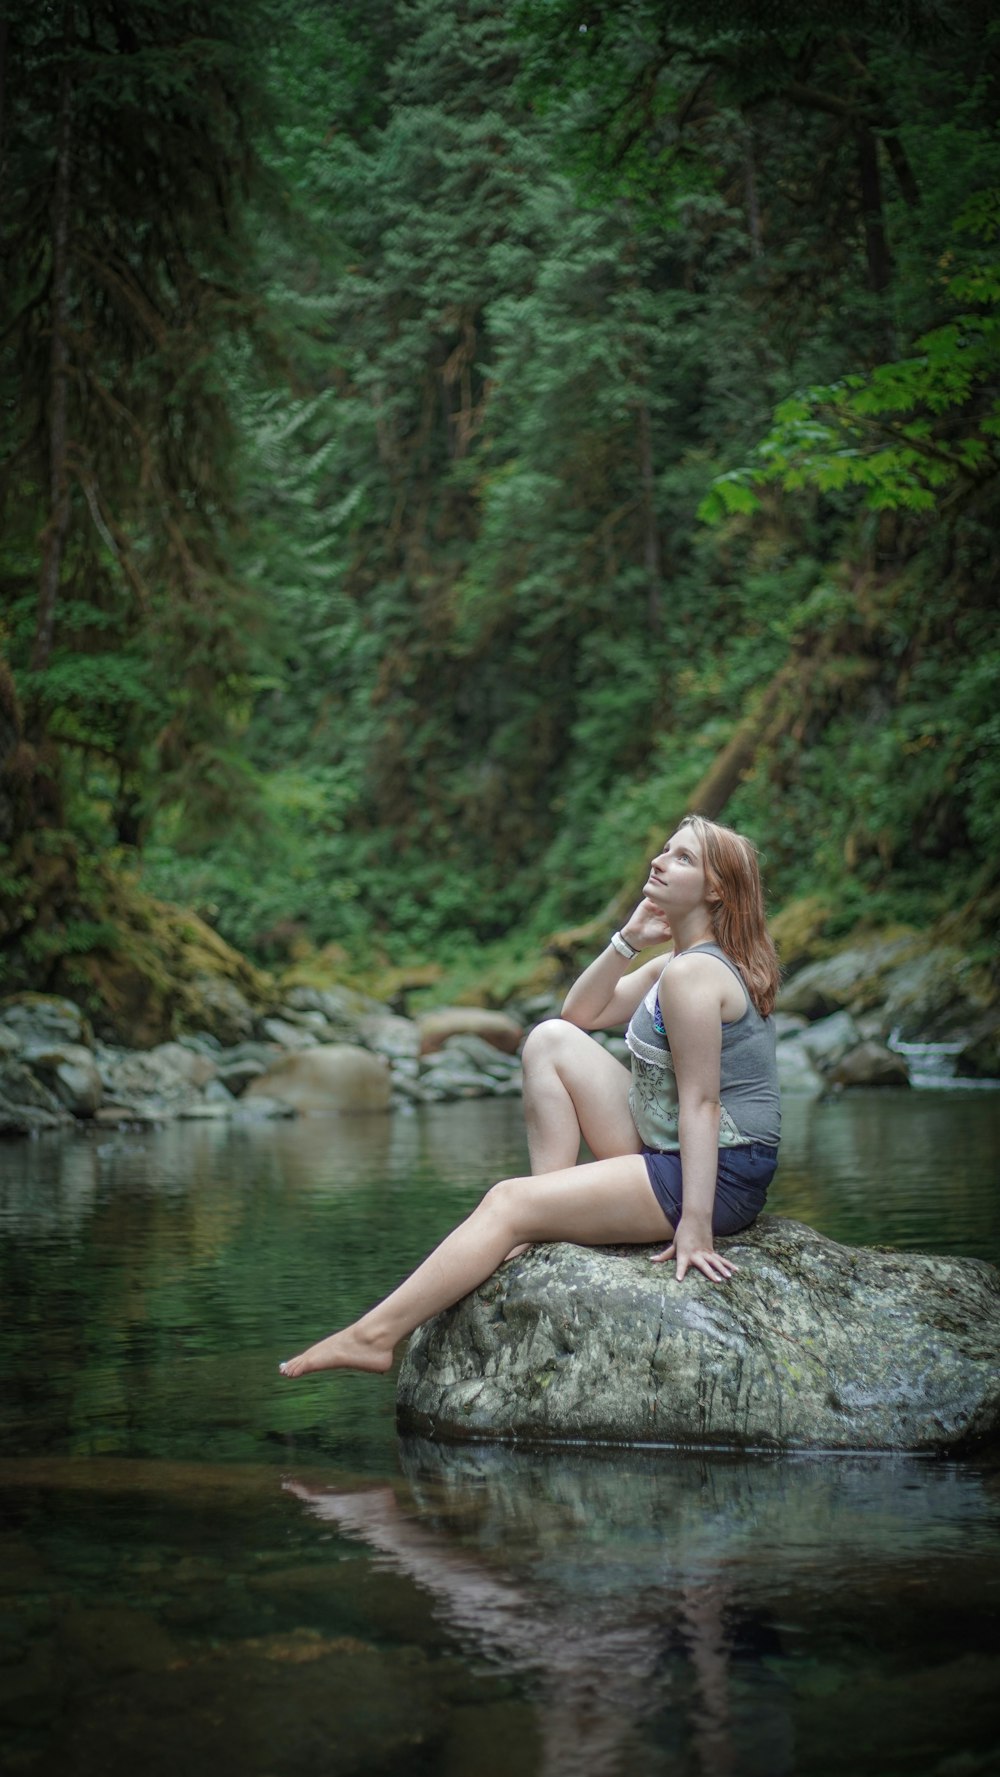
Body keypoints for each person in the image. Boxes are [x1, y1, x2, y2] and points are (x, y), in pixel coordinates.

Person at [279, 814, 781, 1380]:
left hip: (719, 1172)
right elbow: (580, 1017)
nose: (660, 861)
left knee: (507, 1202)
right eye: (664, 850)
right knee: (549, 1040)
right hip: (670, 1148)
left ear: (716, 890)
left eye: (683, 858)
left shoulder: (695, 975)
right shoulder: (676, 963)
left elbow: (703, 1105)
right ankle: (545, 1206)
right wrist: (627, 941)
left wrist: (696, 1225)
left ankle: (375, 1336)